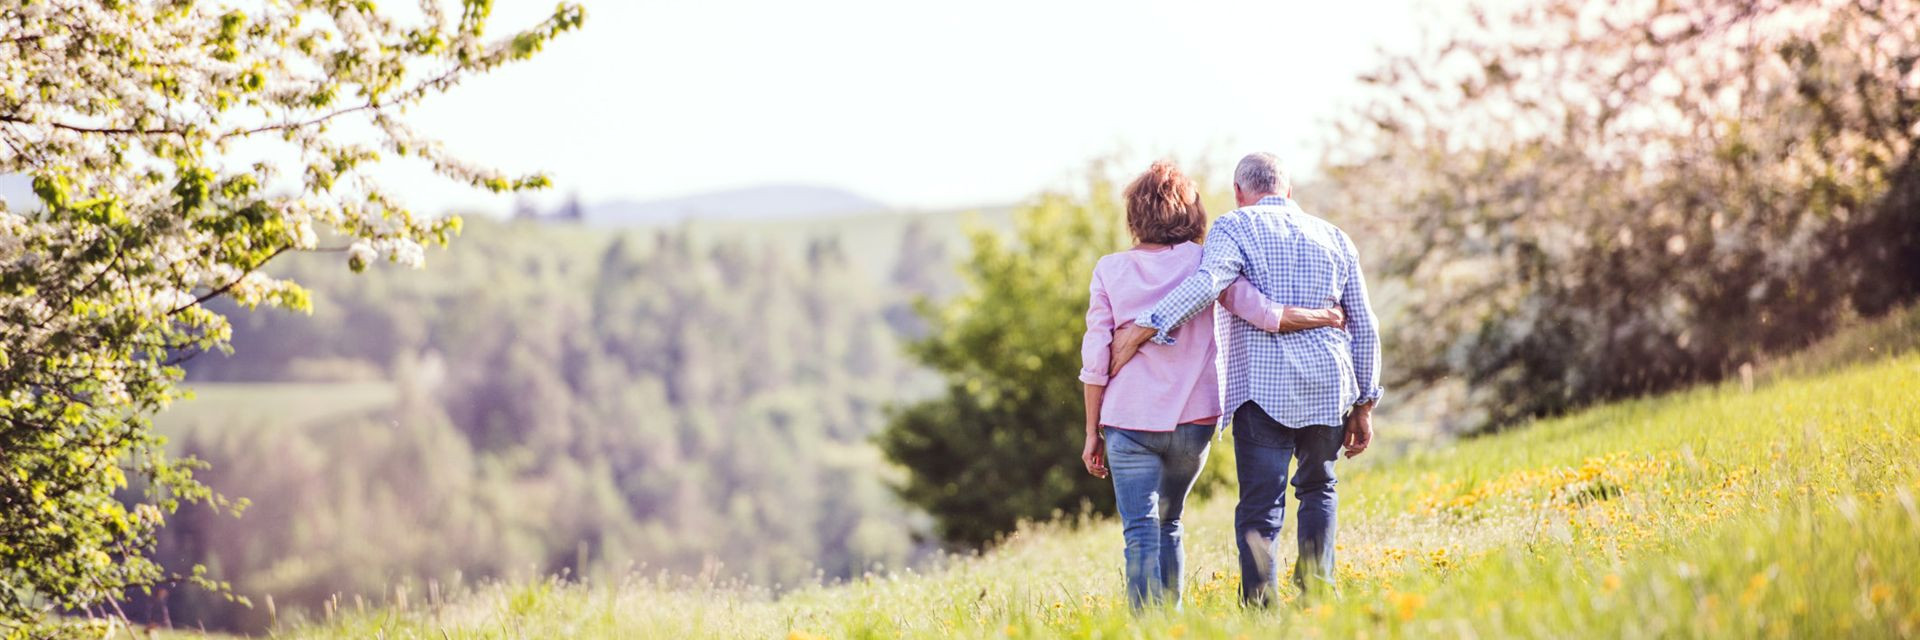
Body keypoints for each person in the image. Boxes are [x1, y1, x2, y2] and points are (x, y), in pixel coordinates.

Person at [1110, 152, 1382, 606]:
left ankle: (1259, 606)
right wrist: (1366, 401)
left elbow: (1208, 283)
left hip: (1262, 391)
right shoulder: (1336, 237)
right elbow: (1365, 323)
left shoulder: (1233, 227)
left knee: (1261, 505)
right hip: (1330, 387)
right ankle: (1318, 592)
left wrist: (1144, 327)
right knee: (1320, 488)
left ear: (1239, 193)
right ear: (1288, 190)